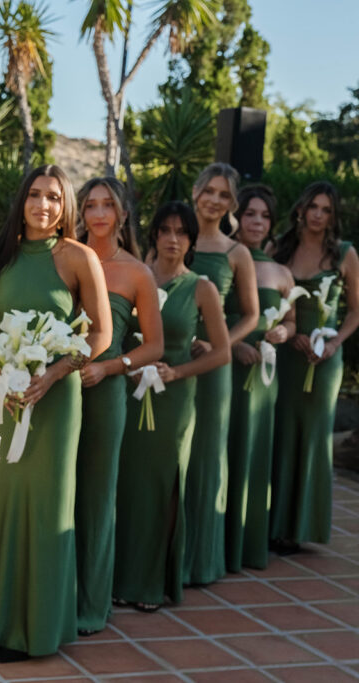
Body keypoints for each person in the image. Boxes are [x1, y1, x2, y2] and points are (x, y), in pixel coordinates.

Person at [0, 164, 112, 660]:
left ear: (64, 205)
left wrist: (55, 373)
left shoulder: (79, 257)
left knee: (48, 510)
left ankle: (38, 630)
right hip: (4, 398)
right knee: (1, 507)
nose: (43, 205)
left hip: (56, 399)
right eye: (34, 195)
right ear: (21, 201)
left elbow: (100, 334)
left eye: (53, 197)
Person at [113, 201, 229, 611]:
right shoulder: (137, 277)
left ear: (192, 240)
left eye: (182, 232)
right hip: (126, 394)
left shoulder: (202, 288)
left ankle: (149, 585)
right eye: (165, 230)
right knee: (127, 485)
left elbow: (222, 353)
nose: (173, 239)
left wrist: (178, 373)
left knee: (161, 487)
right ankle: (118, 578)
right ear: (155, 235)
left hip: (173, 401)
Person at [74, 177, 163, 635]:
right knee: (57, 495)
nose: (100, 212)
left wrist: (111, 368)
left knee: (95, 496)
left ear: (123, 214)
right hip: (56, 390)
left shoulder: (136, 273)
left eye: (109, 204)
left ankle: (90, 604)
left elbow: (154, 347)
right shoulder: (63, 256)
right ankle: (51, 595)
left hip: (105, 393)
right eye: (91, 204)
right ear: (81, 212)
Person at [270, 181, 359, 551]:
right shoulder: (281, 248)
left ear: (333, 215)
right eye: (313, 207)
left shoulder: (344, 253)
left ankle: (303, 525)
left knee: (314, 433)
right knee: (283, 430)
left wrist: (334, 342)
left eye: (326, 209)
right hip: (287, 353)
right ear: (301, 209)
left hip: (324, 358)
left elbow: (356, 310)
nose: (319, 215)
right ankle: (274, 522)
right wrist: (288, 336)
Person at [183, 162, 258, 587]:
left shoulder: (237, 253)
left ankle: (202, 561)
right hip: (171, 363)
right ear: (196, 191)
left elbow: (251, 314)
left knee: (207, 458)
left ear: (232, 203)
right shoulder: (173, 239)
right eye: (209, 190)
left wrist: (219, 342)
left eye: (224, 195)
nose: (214, 200)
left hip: (214, 369)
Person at [225, 186, 296, 571]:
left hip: (263, 379)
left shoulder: (280, 271)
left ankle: (248, 543)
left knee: (253, 451)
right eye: (250, 213)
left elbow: (290, 319)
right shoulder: (227, 258)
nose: (256, 222)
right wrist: (233, 347)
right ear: (237, 217)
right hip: (225, 370)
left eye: (265, 216)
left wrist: (284, 333)